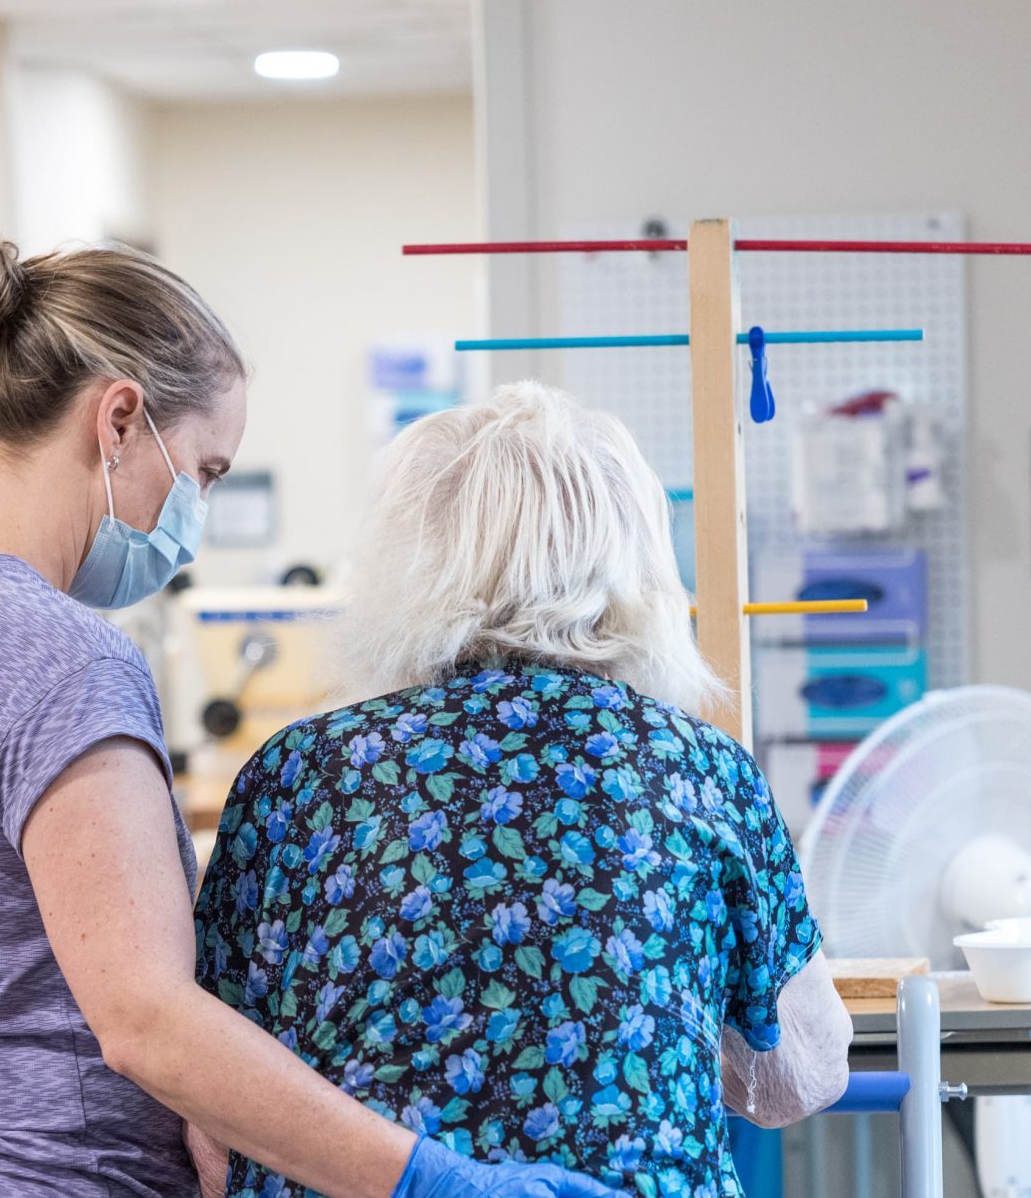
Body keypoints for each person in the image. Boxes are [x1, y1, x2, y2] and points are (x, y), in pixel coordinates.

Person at [0, 226, 618, 1198]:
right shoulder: (61, 656)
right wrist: (435, 1183)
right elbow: (146, 1026)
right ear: (120, 421)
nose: (199, 512)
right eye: (208, 470)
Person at [192, 382, 853, 1198]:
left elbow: (210, 1105)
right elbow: (805, 1075)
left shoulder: (297, 774)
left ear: (408, 561)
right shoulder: (700, 770)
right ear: (636, 560)